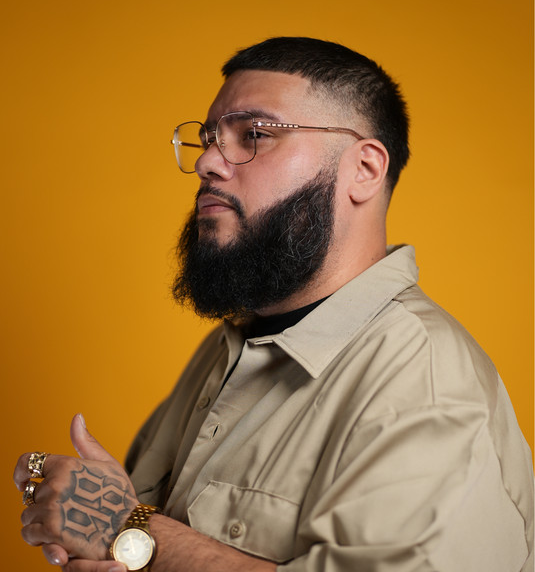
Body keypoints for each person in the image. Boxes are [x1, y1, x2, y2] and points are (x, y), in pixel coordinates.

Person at [15, 37, 533, 571]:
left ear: (364, 169)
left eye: (255, 134)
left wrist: (130, 533)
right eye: (209, 139)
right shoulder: (229, 347)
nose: (207, 163)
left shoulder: (424, 381)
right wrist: (100, 522)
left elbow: (127, 526)